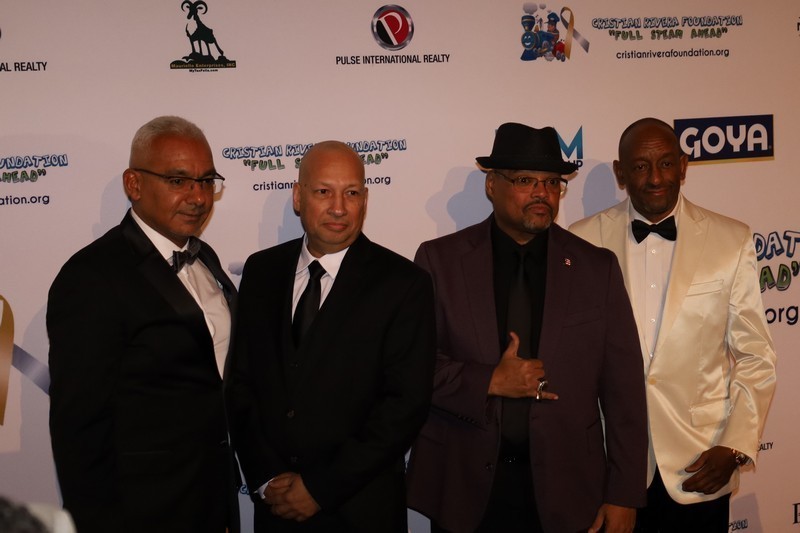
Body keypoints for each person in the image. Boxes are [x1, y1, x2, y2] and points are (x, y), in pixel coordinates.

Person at [406, 122, 648, 533]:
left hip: (569, 489)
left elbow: (624, 390)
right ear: (492, 185)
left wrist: (624, 494)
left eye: (552, 182)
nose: (542, 193)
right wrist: (489, 381)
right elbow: (413, 370)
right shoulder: (439, 262)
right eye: (525, 181)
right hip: (464, 486)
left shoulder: (596, 268)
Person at [570, 117, 777, 531]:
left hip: (700, 465)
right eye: (640, 166)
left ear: (683, 166)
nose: (655, 178)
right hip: (609, 467)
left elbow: (756, 356)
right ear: (621, 173)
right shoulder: (582, 240)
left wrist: (734, 446)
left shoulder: (731, 239)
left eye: (666, 163)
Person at [227, 141, 435, 532]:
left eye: (351, 193)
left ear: (365, 200)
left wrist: (320, 488)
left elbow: (404, 406)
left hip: (362, 511)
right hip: (275, 509)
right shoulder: (261, 271)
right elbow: (241, 383)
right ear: (298, 196)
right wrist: (266, 476)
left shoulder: (404, 284)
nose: (339, 207)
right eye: (324, 191)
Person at [47, 116, 239, 533]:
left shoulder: (205, 258)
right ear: (133, 184)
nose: (198, 197)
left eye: (207, 181)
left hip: (211, 502)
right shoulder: (92, 276)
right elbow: (79, 429)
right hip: (140, 514)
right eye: (178, 181)